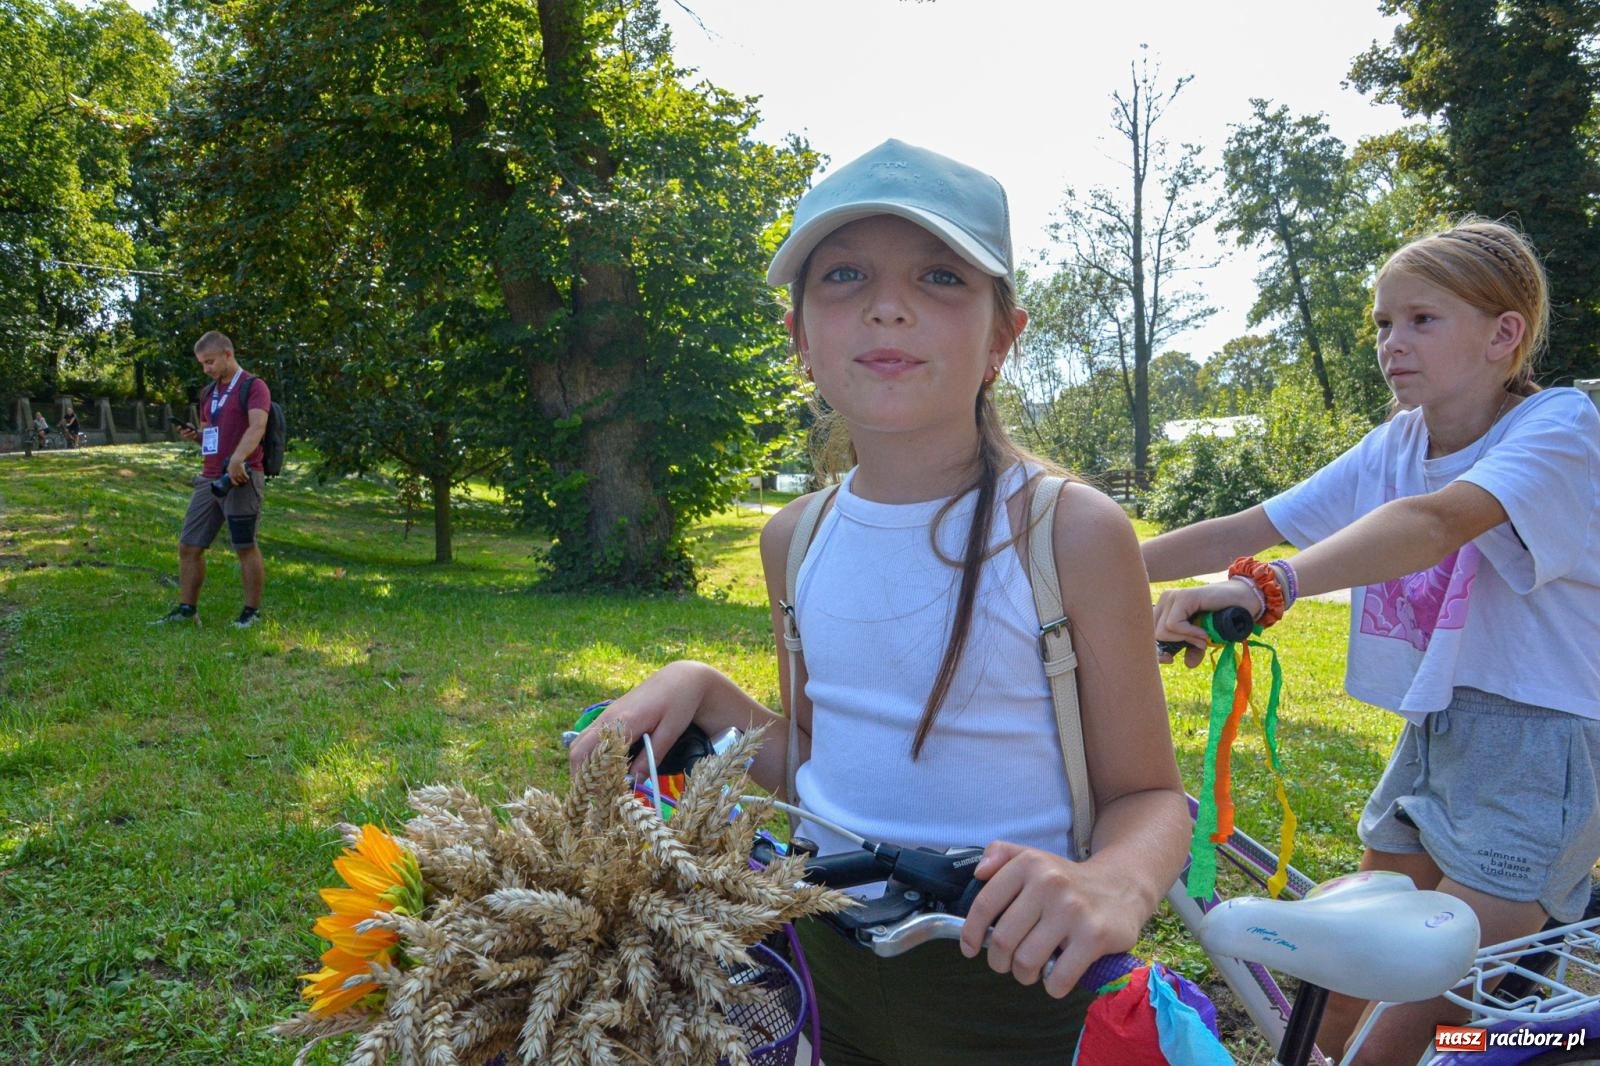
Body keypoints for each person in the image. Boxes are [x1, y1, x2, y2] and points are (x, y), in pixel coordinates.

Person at [567, 140, 1190, 1064]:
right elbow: (824, 761)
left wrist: (1116, 885)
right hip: (828, 980)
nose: (888, 305)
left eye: (940, 277)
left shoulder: (1071, 531)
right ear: (800, 340)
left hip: (1019, 996)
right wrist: (703, 690)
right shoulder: (797, 539)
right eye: (845, 275)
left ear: (1002, 339)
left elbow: (1148, 796)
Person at [1144, 218, 1600, 1065]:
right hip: (1437, 730)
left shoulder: (1557, 426)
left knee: (1410, 1027)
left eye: (1421, 319)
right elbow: (1253, 523)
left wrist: (1266, 585)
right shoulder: (1397, 441)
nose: (1392, 342)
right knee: (1337, 988)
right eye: (1383, 324)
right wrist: (1089, 570)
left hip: (1544, 753)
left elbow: (1434, 522)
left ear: (1505, 334)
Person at [153, 330, 271, 629]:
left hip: (242, 476)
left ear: (227, 355)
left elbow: (257, 427)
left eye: (210, 362)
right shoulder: (208, 393)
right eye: (202, 364)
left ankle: (251, 613)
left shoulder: (253, 387)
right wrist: (197, 436)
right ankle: (186, 610)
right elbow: (211, 435)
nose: (206, 369)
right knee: (189, 545)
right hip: (209, 479)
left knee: (244, 545)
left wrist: (237, 459)